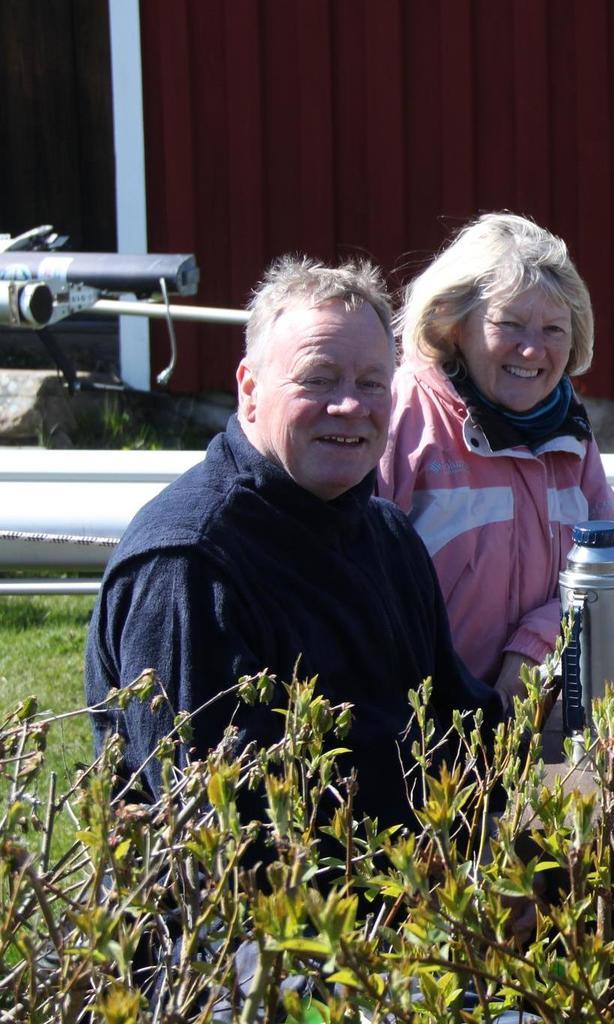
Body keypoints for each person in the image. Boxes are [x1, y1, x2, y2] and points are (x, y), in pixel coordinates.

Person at [86, 256, 501, 831]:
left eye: (371, 384)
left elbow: (458, 728)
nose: (350, 405)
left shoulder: (387, 535)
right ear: (250, 390)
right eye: (318, 378)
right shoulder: (191, 564)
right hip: (268, 910)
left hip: (413, 888)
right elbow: (215, 822)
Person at [380, 212, 614, 705]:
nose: (532, 351)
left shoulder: (565, 428)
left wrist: (539, 642)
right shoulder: (401, 416)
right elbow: (342, 573)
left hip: (534, 729)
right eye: (508, 323)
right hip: (416, 735)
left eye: (554, 329)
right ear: (453, 324)